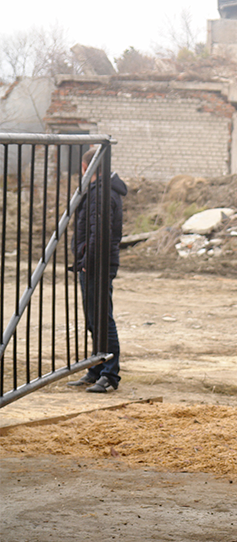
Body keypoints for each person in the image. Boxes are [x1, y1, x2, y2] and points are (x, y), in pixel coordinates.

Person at [68, 146, 128, 393]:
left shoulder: (101, 194)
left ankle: (109, 373)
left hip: (96, 265)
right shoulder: (97, 191)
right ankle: (96, 367)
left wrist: (85, 263)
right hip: (93, 263)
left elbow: (98, 234)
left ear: (87, 168)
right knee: (94, 319)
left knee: (103, 319)